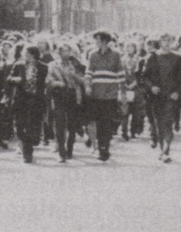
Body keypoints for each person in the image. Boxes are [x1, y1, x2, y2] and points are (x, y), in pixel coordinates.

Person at [84, 31, 124, 162]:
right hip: (95, 94)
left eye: (98, 39)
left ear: (105, 41)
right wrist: (88, 86)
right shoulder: (92, 55)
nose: (96, 42)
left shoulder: (116, 55)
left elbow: (121, 74)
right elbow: (89, 73)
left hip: (110, 95)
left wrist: (121, 92)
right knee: (96, 122)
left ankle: (104, 148)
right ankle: (99, 145)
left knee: (106, 122)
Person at [142, 34, 181, 162]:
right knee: (159, 123)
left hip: (171, 95)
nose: (166, 42)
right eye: (163, 40)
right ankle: (161, 148)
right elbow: (144, 77)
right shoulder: (152, 57)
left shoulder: (177, 58)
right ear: (159, 42)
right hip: (157, 95)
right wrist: (151, 86)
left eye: (168, 40)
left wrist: (178, 92)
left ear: (172, 41)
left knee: (168, 122)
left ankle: (166, 150)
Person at [46, 43, 85, 163]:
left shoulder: (77, 65)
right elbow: (48, 80)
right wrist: (57, 83)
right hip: (59, 95)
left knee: (72, 125)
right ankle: (61, 152)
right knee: (59, 124)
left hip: (73, 95)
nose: (66, 53)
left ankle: (70, 149)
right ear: (59, 52)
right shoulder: (53, 65)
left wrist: (74, 76)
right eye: (63, 51)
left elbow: (84, 80)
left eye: (68, 51)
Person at [8, 46, 48, 164]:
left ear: (33, 55)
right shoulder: (19, 65)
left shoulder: (43, 67)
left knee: (31, 126)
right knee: (19, 126)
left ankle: (28, 154)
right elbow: (9, 79)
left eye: (27, 54)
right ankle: (28, 143)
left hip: (36, 100)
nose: (25, 56)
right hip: (21, 99)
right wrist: (17, 79)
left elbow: (46, 82)